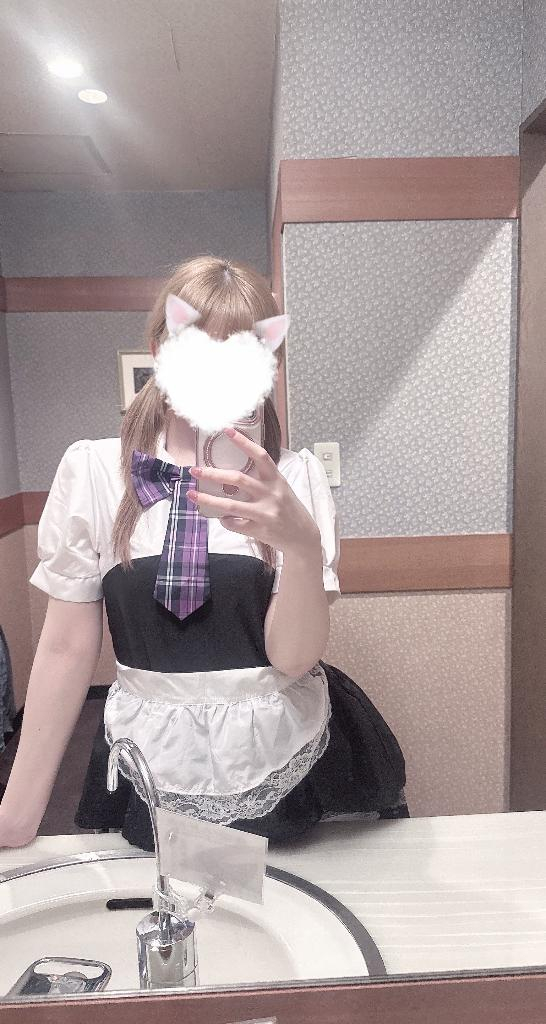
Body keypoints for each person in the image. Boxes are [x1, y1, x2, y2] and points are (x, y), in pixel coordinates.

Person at [0, 256, 407, 853]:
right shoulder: (93, 471)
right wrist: (17, 812)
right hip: (151, 750)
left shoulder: (295, 477)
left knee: (290, 902)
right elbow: (65, 648)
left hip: (278, 751)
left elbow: (293, 659)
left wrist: (301, 546)